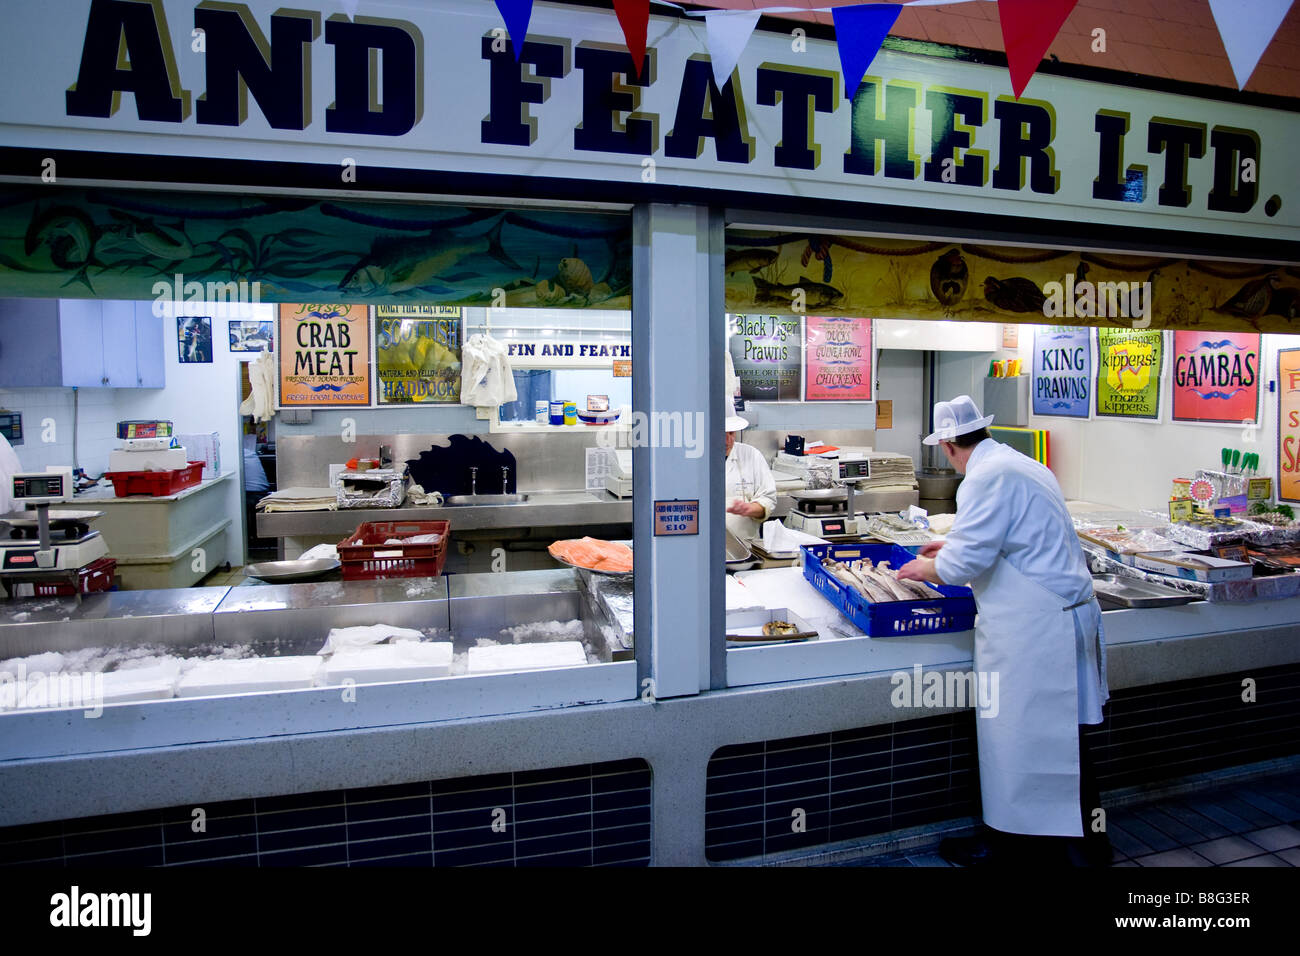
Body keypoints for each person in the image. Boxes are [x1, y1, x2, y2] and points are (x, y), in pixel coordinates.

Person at [897, 394, 1109, 868]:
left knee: (1017, 741)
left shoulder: (984, 478)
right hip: (1065, 617)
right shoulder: (1021, 464)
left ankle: (1015, 852)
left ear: (948, 444)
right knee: (1067, 740)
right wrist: (949, 542)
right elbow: (1014, 536)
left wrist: (922, 568)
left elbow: (965, 564)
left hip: (1035, 633)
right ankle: (1083, 848)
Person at [724, 397, 777, 548]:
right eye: (721, 433)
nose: (728, 440)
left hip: (745, 548)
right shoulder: (692, 460)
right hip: (701, 550)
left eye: (732, 433)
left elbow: (768, 498)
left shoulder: (750, 455)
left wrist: (750, 509)